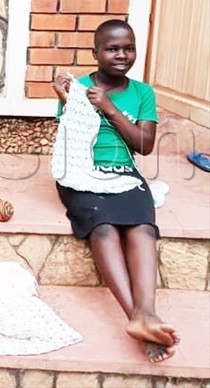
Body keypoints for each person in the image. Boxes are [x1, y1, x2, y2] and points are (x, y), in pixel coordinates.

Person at [52, 19, 180, 362]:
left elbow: (144, 144)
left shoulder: (143, 93)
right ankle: (135, 317)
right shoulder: (77, 86)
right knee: (103, 226)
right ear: (95, 53)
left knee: (142, 225)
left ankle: (147, 313)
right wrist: (66, 100)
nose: (121, 55)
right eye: (112, 49)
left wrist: (108, 107)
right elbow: (70, 137)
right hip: (80, 171)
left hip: (124, 172)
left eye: (129, 48)